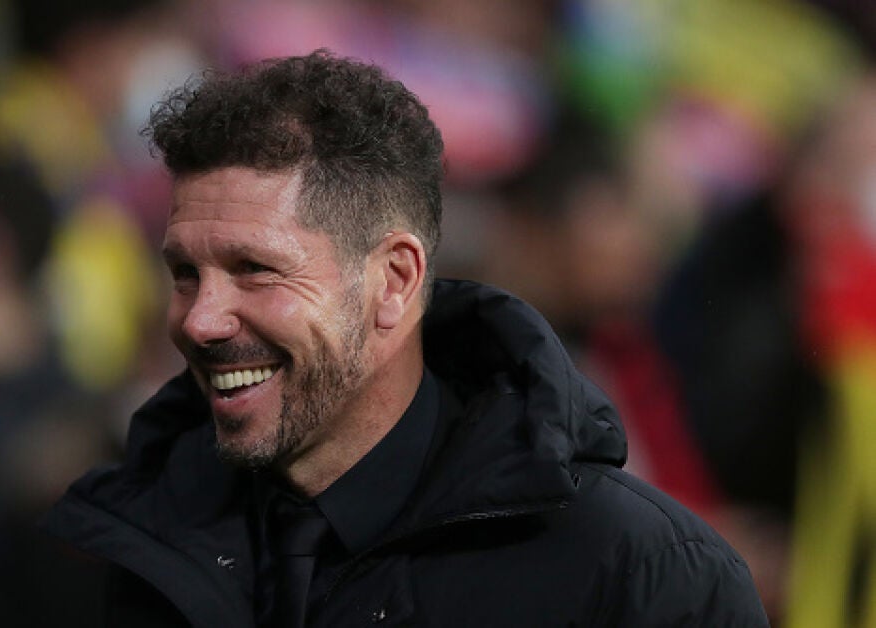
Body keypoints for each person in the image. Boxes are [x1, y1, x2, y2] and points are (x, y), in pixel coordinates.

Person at [42, 50, 768, 627]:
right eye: (184, 273)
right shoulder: (130, 541)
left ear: (393, 280)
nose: (200, 320)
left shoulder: (641, 578)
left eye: (254, 270)